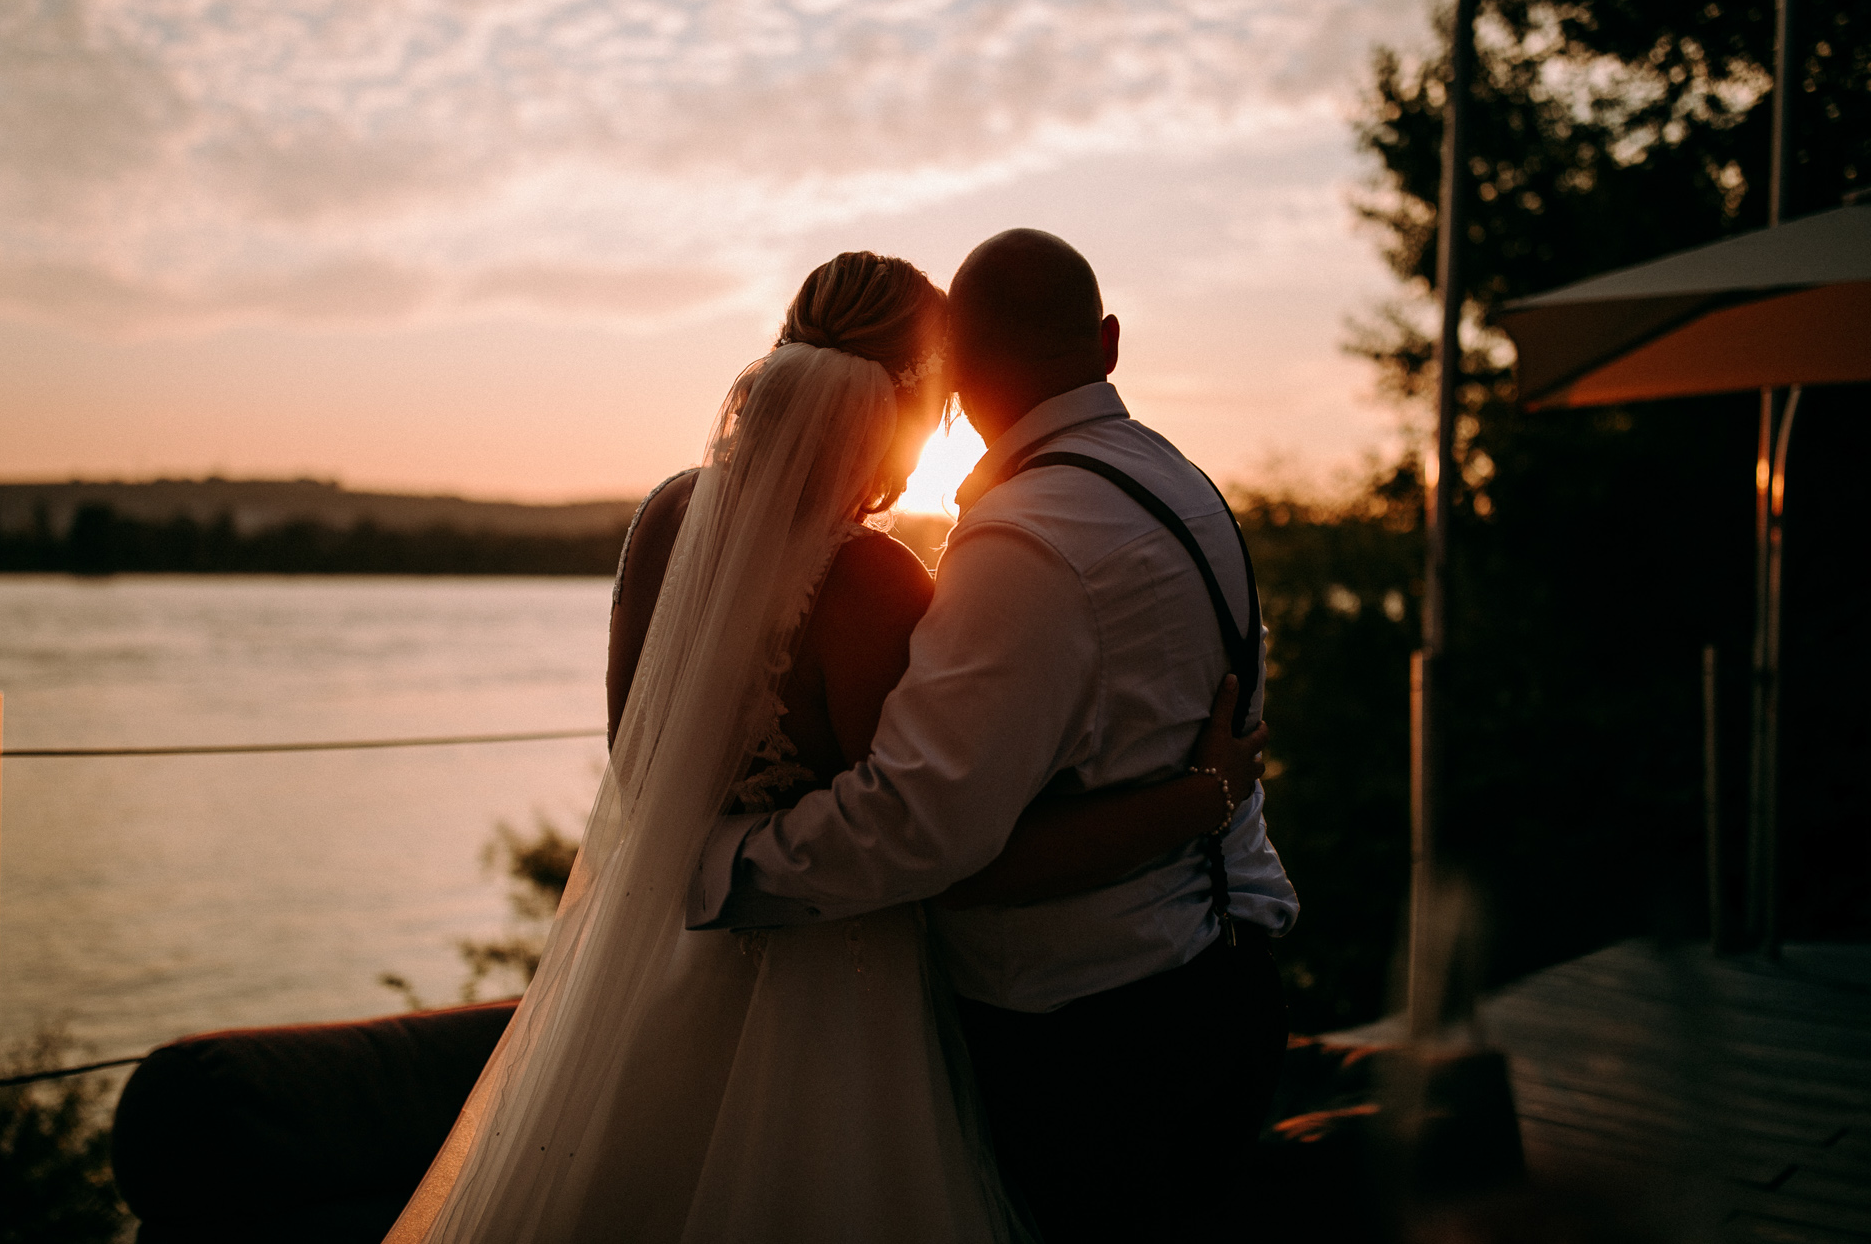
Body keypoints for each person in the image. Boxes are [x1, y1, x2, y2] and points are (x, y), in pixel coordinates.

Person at [385, 250, 1266, 1243]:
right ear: (916, 401)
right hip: (835, 991)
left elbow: (639, 762)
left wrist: (691, 854)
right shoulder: (873, 578)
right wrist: (1188, 802)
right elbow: (926, 839)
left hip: (667, 960)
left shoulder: (666, 517)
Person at [688, 229, 1299, 1242]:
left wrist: (719, 867)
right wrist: (1201, 801)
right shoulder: (1180, 483)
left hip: (1098, 1041)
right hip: (1226, 981)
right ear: (1106, 343)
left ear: (957, 381)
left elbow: (917, 826)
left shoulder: (1022, 539)